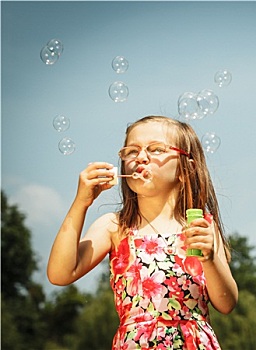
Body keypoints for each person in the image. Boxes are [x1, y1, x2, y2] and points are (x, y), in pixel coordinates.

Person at [47, 115, 238, 349]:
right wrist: (81, 202)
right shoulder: (115, 227)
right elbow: (60, 274)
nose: (141, 157)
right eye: (131, 151)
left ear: (185, 168)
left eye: (156, 149)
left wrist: (208, 259)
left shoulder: (200, 226)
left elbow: (227, 303)